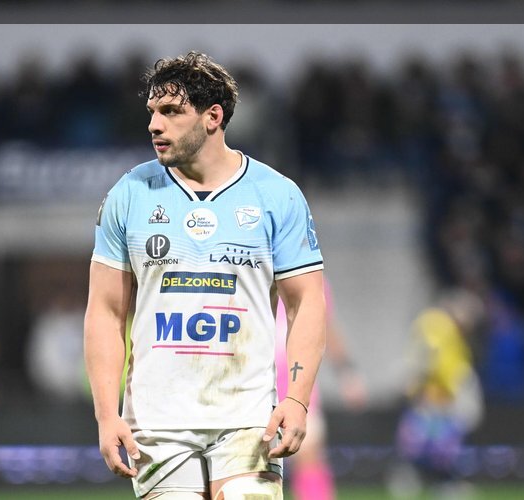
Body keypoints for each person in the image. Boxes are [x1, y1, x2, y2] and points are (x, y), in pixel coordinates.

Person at [85, 51, 327, 500]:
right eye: (152, 112)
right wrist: (105, 413)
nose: (154, 125)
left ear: (213, 117)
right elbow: (105, 311)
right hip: (157, 421)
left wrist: (296, 398)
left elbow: (306, 302)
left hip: (248, 417)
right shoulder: (129, 194)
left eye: (171, 111)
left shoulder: (277, 196)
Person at [274, 280, 366, 500]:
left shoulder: (309, 277)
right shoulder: (249, 270)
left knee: (308, 454)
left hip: (298, 387)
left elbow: (325, 326)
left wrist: (346, 372)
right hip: (255, 385)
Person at [389, 289, 484, 500]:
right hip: (431, 398)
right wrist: (416, 383)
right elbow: (426, 358)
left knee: (439, 445)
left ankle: (440, 482)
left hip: (443, 398)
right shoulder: (437, 323)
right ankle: (414, 478)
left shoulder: (451, 332)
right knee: (422, 443)